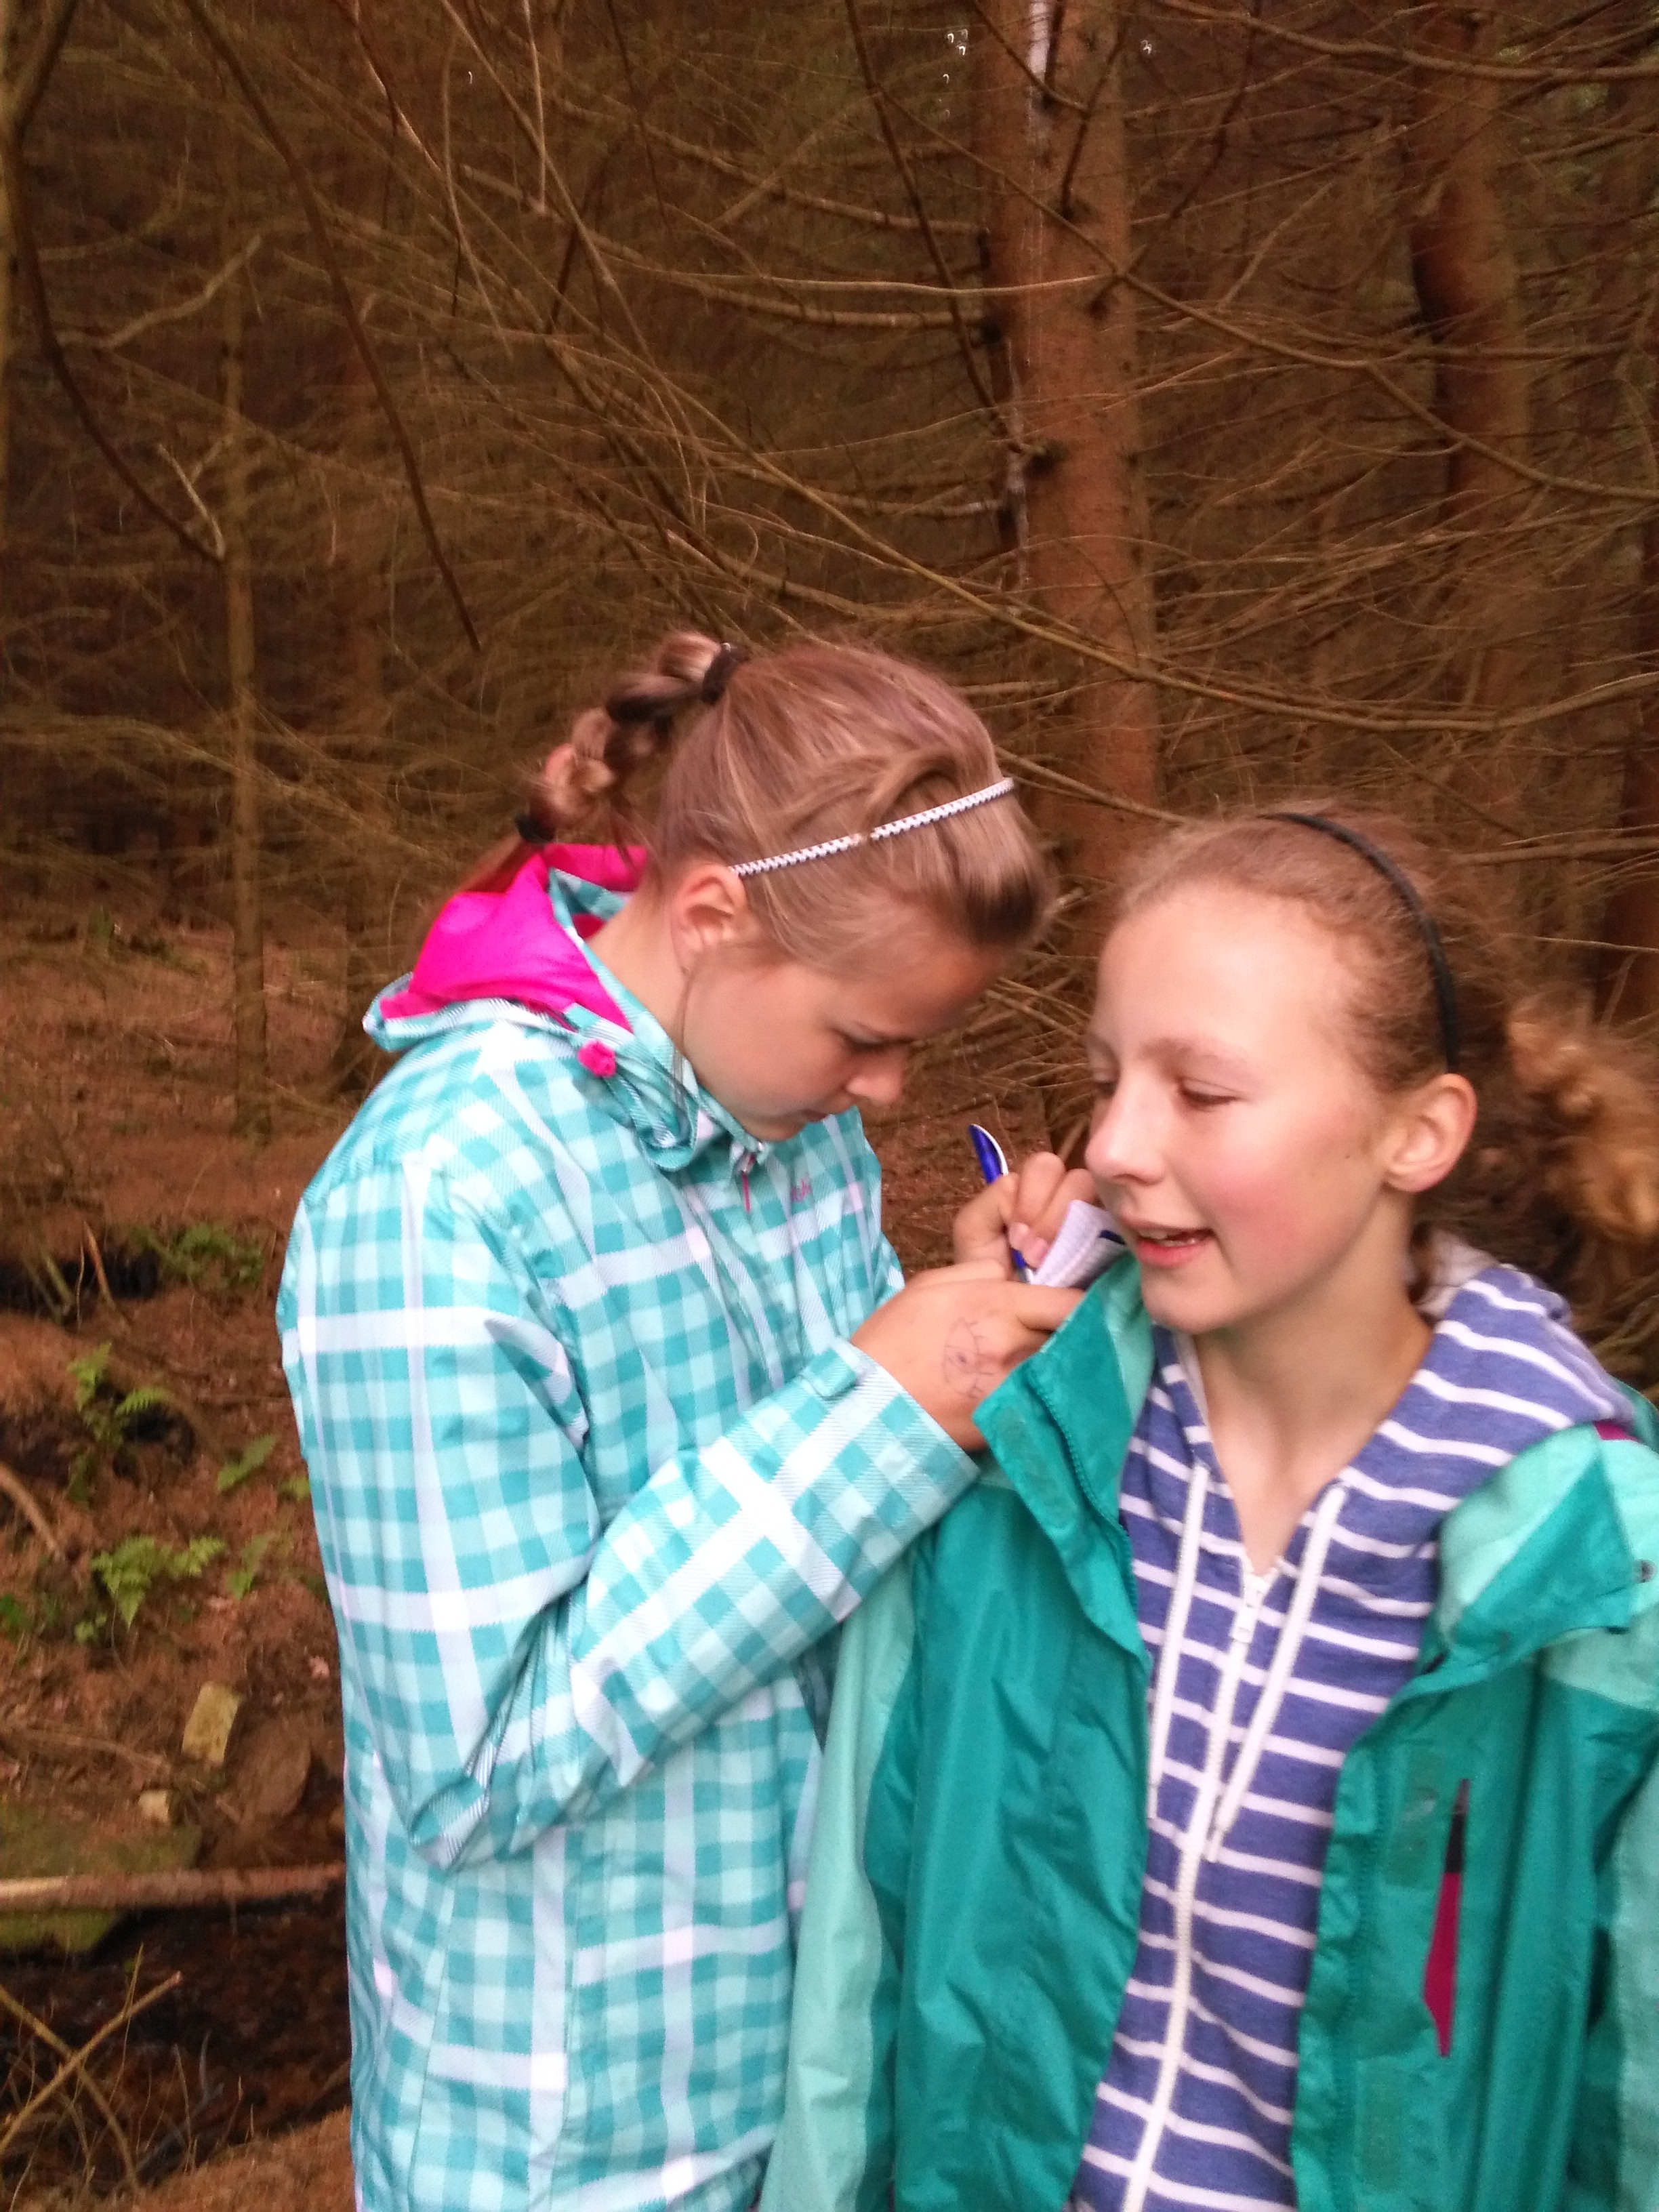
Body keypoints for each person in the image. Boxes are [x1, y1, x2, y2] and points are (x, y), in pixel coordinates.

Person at [276, 632, 1081, 2212]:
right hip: (571, 2154)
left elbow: (834, 1523)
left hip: (815, 2084)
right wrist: (886, 1411)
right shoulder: (433, 1201)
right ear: (714, 913)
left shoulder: (792, 1128)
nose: (889, 1093)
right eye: (864, 1036)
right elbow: (476, 1767)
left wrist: (972, 1305)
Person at [764, 803, 1659, 2212]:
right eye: (1107, 1078)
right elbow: (856, 1986)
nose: (1116, 1143)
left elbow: (1631, 2114)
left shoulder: (1601, 1577)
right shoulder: (1013, 1467)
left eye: (1202, 1091)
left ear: (1418, 1133)